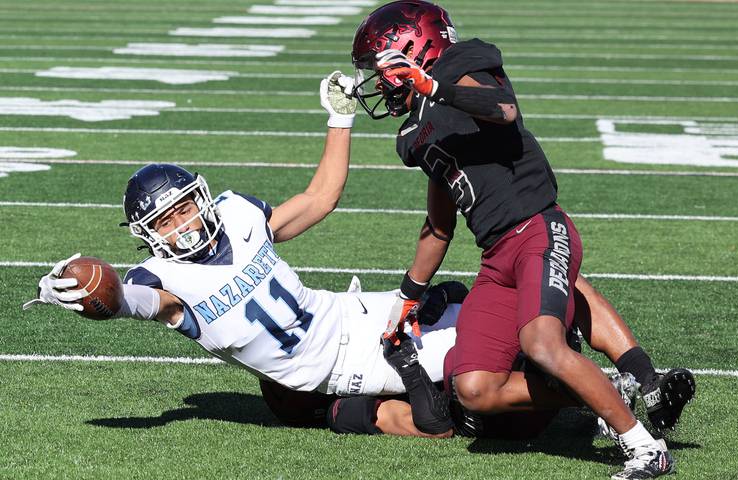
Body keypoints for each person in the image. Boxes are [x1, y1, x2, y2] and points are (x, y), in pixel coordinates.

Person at [350, 0, 694, 480]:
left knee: (541, 343)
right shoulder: (414, 130)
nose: (377, 82)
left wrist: (433, 86)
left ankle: (644, 446)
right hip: (495, 256)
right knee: (472, 387)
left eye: (378, 66)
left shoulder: (461, 63)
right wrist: (409, 297)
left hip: (537, 227)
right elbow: (439, 226)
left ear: (410, 48)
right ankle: (614, 388)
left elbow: (502, 110)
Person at [21, 71, 457, 436]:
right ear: (147, 233)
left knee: (465, 304)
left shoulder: (238, 215)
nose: (182, 225)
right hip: (345, 367)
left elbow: (321, 198)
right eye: (165, 222)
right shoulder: (160, 280)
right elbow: (120, 299)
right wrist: (80, 289)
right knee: (477, 370)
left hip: (351, 312)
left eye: (184, 209)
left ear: (202, 200)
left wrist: (339, 119)